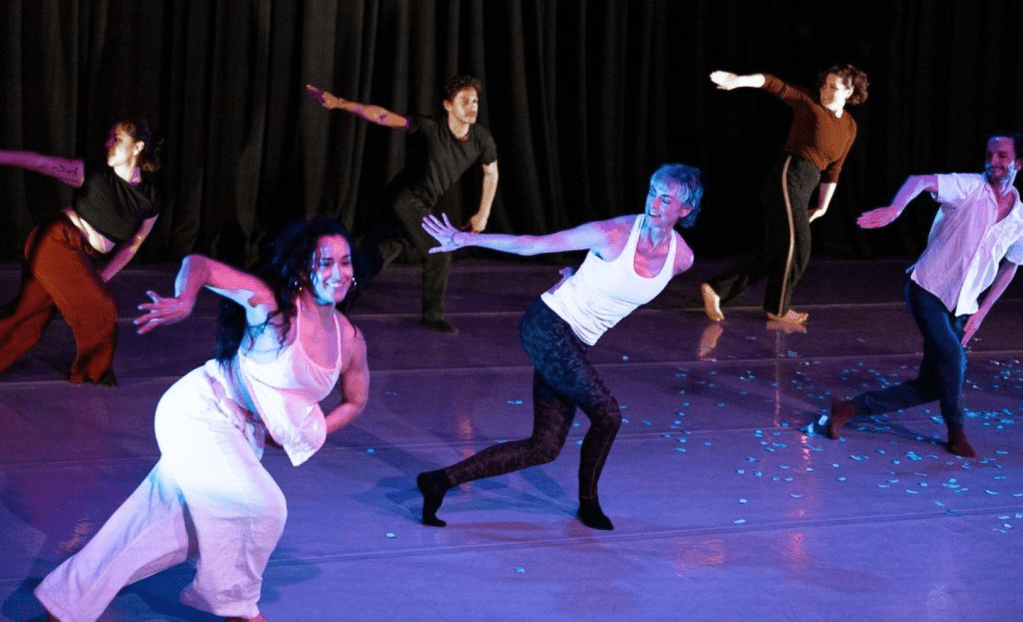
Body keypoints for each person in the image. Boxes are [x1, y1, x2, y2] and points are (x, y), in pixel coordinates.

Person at [34, 217, 370, 622]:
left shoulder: (349, 340)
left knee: (169, 531)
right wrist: (185, 298)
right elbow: (200, 264)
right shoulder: (274, 307)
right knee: (264, 507)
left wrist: (309, 432)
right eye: (325, 262)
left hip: (240, 436)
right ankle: (238, 610)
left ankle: (64, 604)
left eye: (345, 262)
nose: (338, 273)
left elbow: (355, 401)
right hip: (199, 411)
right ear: (302, 269)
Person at [415, 163, 702, 531]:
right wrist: (465, 240)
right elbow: (534, 244)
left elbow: (616, 285)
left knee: (545, 447)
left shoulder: (682, 259)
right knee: (609, 415)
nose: (654, 204)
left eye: (665, 199)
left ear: (685, 210)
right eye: (651, 192)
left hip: (574, 343)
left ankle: (439, 481)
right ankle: (589, 503)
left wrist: (578, 272)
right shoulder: (614, 233)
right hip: (547, 326)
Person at [827, 133, 1023, 458]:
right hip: (928, 289)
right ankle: (956, 432)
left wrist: (981, 312)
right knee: (955, 359)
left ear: (1018, 163)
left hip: (963, 306)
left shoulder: (1019, 216)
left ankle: (849, 408)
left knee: (932, 385)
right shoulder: (969, 186)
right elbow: (919, 181)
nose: (993, 161)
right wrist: (895, 209)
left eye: (1002, 156)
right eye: (989, 154)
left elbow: (1011, 265)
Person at [306, 75, 499, 334]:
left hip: (416, 203)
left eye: (475, 101)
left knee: (379, 253)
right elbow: (382, 116)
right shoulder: (430, 127)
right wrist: (340, 103)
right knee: (440, 251)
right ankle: (432, 317)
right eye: (464, 101)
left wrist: (483, 213)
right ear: (448, 105)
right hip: (404, 198)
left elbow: (491, 172)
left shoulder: (481, 139)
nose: (472, 106)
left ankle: (330, 301)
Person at [700, 65, 869, 324]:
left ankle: (716, 289)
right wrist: (738, 80)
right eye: (824, 85)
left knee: (776, 250)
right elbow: (773, 83)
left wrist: (822, 206)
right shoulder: (809, 104)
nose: (825, 91)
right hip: (788, 176)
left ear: (849, 92)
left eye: (833, 88)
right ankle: (777, 309)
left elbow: (835, 169)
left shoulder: (849, 126)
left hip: (806, 185)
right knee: (799, 246)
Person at [0, 119, 162, 384]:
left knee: (28, 318)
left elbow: (133, 244)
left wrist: (103, 276)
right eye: (109, 138)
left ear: (138, 147)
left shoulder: (150, 199)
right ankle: (94, 371)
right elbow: (40, 162)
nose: (108, 144)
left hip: (81, 257)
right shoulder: (94, 173)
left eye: (117, 139)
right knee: (102, 308)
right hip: (56, 241)